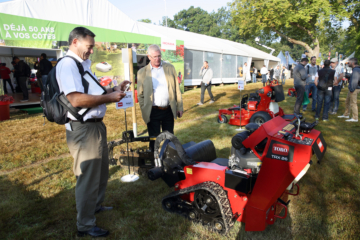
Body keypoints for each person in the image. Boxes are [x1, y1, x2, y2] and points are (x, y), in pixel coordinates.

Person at [57, 27, 129, 237]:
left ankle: (94, 207)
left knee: (100, 172)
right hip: (84, 129)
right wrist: (109, 98)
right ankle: (85, 225)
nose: (91, 51)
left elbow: (94, 91)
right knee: (88, 177)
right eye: (89, 47)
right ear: (75, 43)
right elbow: (76, 99)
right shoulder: (68, 65)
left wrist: (114, 90)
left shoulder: (82, 65)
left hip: (94, 127)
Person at [137, 44, 183, 151]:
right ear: (149, 57)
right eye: (154, 57)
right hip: (153, 112)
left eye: (159, 56)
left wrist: (179, 107)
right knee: (154, 139)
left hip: (168, 111)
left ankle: (169, 162)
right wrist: (144, 108)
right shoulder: (142, 73)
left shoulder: (170, 68)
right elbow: (140, 94)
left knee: (170, 139)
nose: (157, 59)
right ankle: (154, 162)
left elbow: (177, 89)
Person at [338, 57, 360, 122]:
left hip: (354, 88)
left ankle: (355, 118)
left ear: (353, 63)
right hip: (353, 88)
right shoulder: (356, 69)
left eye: (349, 62)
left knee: (353, 103)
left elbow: (355, 80)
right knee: (347, 101)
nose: (348, 63)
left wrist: (352, 89)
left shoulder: (356, 70)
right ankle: (346, 114)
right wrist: (349, 75)